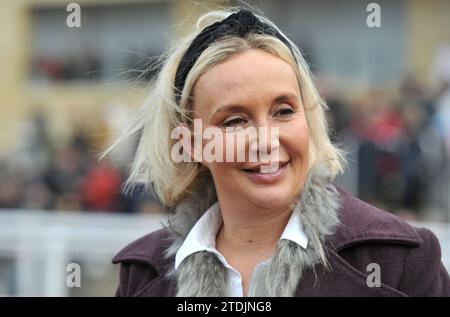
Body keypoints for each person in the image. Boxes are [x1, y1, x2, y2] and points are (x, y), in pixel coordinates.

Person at [109, 8, 450, 296]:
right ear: (191, 143)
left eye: (284, 111)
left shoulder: (400, 262)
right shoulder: (142, 277)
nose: (266, 140)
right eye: (235, 121)